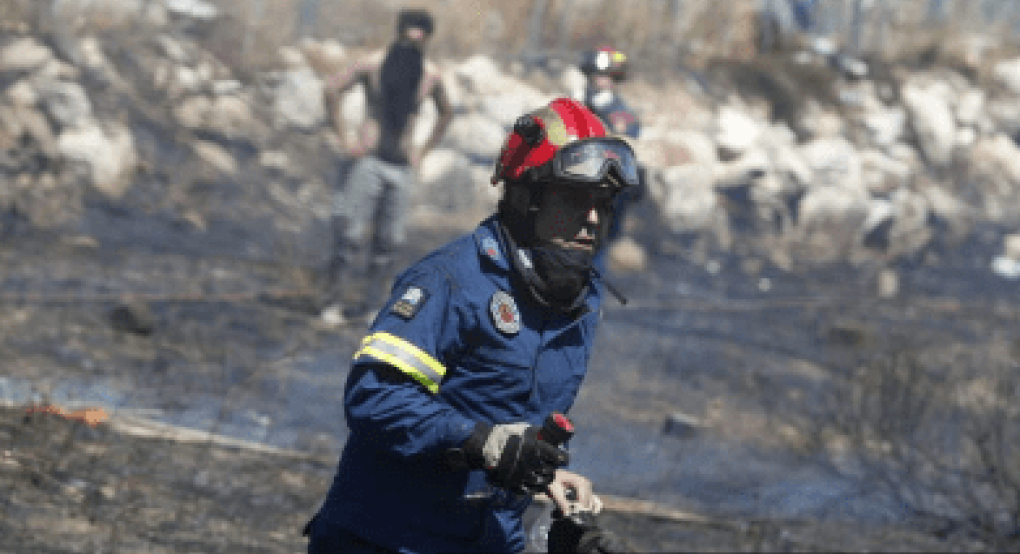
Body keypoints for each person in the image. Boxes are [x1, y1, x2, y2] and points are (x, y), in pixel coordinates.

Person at [303, 97, 641, 554]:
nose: (594, 218)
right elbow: (373, 398)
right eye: (574, 199)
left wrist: (544, 481)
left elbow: (515, 427)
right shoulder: (451, 281)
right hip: (386, 538)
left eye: (603, 202)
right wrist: (480, 442)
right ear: (526, 197)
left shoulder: (574, 299)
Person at [319, 8, 454, 324]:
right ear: (399, 31)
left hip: (402, 166)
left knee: (389, 241)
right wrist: (344, 137)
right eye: (409, 30)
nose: (413, 38)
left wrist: (424, 149)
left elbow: (447, 112)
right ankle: (333, 302)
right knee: (349, 235)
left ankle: (371, 306)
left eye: (420, 33)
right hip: (369, 159)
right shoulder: (374, 63)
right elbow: (332, 88)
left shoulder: (430, 74)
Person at [578, 45, 645, 244]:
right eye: (598, 75)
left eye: (608, 76)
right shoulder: (577, 100)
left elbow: (630, 133)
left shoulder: (619, 110)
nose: (603, 81)